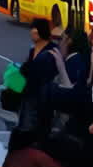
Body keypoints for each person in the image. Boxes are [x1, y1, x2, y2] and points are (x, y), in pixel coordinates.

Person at [10, 17, 58, 149]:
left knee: (36, 129)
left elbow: (40, 73)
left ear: (41, 32)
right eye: (32, 31)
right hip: (29, 94)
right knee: (25, 124)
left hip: (42, 97)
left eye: (35, 31)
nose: (32, 33)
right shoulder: (33, 50)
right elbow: (26, 69)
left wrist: (27, 69)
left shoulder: (51, 52)